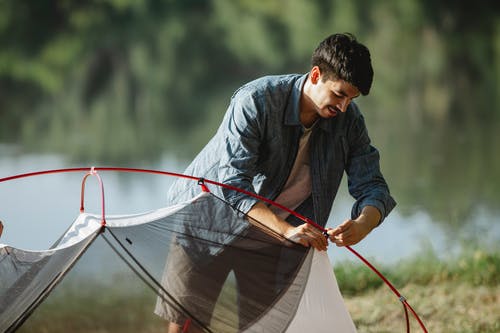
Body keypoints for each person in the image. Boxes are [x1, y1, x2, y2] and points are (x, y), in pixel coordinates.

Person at [155, 33, 396, 332]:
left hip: (272, 239)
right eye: (338, 94)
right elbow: (233, 185)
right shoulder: (256, 100)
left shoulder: (348, 122)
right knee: (184, 323)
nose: (344, 107)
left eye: (351, 99)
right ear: (316, 75)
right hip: (206, 223)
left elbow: (373, 185)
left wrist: (363, 223)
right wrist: (288, 230)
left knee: (262, 326)